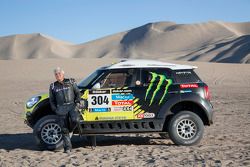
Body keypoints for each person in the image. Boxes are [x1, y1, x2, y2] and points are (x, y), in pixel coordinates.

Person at [49, 67, 81, 153]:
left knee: (75, 120)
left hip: (72, 106)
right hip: (61, 108)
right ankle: (67, 148)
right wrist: (55, 109)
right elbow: (51, 100)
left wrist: (77, 102)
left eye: (59, 73)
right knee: (64, 129)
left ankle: (70, 130)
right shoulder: (53, 86)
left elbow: (77, 92)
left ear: (63, 74)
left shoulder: (71, 81)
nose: (58, 75)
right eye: (56, 74)